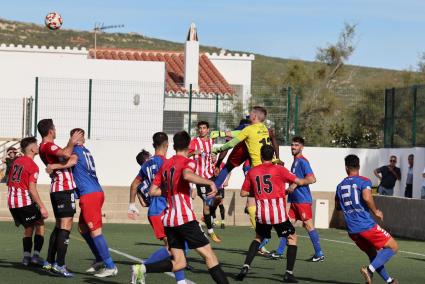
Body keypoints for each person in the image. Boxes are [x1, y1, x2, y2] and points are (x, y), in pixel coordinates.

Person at [131, 131, 229, 284]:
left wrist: (171, 189)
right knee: (210, 256)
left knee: (180, 262)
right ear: (189, 145)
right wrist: (209, 182)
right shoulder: (187, 162)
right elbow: (187, 175)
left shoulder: (166, 164)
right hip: (184, 219)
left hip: (169, 221)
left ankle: (142, 269)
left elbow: (152, 191)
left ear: (174, 146)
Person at [47, 128, 118, 278]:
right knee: (83, 229)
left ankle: (110, 266)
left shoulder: (77, 151)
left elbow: (71, 161)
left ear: (77, 138)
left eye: (75, 137)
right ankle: (99, 259)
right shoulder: (86, 151)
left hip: (90, 194)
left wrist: (54, 166)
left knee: (94, 230)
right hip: (94, 192)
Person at [235, 145, 309, 283]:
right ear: (273, 156)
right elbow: (298, 181)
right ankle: (288, 273)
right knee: (292, 237)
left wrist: (258, 192)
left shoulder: (252, 171)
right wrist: (304, 181)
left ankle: (245, 267)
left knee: (258, 238)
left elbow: (243, 193)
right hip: (278, 215)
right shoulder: (279, 169)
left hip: (262, 214)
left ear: (261, 156)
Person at [128, 132, 188, 284]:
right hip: (163, 210)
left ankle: (179, 281)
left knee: (176, 248)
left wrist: (132, 204)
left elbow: (134, 185)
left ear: (154, 145)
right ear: (167, 145)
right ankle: (142, 268)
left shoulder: (146, 164)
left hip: (154, 211)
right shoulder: (166, 163)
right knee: (175, 248)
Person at [336, 154, 399, 284]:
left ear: (346, 168)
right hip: (365, 225)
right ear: (358, 166)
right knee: (393, 247)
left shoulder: (340, 186)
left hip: (352, 229)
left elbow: (338, 207)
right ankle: (369, 270)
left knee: (373, 254)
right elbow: (366, 197)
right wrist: (376, 211)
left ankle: (389, 281)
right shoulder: (364, 181)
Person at [37, 118, 83, 277]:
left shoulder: (44, 147)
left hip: (57, 188)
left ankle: (49, 261)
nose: (56, 131)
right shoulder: (48, 145)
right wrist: (71, 143)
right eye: (54, 128)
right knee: (66, 225)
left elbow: (63, 156)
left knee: (59, 226)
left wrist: (64, 160)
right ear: (50, 131)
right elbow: (65, 154)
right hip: (63, 188)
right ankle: (60, 264)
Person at [271, 136, 324, 262]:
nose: (293, 147)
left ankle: (319, 253)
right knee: (287, 225)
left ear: (302, 147)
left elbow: (312, 179)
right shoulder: (295, 162)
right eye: (292, 145)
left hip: (302, 200)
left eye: (296, 145)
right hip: (294, 200)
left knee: (308, 225)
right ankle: (279, 252)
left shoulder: (302, 161)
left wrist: (296, 184)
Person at [7, 137, 48, 266]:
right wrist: (42, 207)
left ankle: (26, 258)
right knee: (40, 223)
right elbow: (32, 189)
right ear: (31, 148)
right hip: (22, 201)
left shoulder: (16, 161)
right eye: (36, 144)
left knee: (29, 227)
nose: (38, 146)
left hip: (12, 202)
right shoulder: (33, 166)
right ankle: (35, 256)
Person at [189, 121, 221, 243]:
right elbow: (186, 154)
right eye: (200, 128)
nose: (202, 130)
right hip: (200, 178)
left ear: (208, 130)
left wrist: (214, 159)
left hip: (211, 177)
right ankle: (210, 230)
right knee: (207, 204)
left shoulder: (211, 142)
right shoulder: (194, 141)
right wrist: (194, 152)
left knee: (218, 199)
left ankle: (208, 219)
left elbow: (211, 156)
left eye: (204, 128)